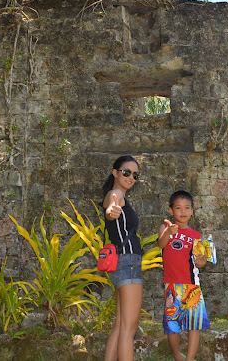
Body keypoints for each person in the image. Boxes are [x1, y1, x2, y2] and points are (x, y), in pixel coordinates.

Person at [158, 190, 210, 361]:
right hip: (172, 285)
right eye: (178, 208)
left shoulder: (197, 236)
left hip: (192, 285)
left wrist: (202, 263)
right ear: (171, 211)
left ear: (192, 211)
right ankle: (176, 355)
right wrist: (169, 232)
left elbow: (198, 262)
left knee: (194, 325)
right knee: (173, 325)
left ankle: (190, 358)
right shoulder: (166, 228)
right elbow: (161, 244)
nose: (183, 211)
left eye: (187, 208)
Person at [102, 155, 143, 361]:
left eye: (135, 174)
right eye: (126, 172)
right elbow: (111, 209)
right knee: (129, 328)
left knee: (120, 325)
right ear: (115, 172)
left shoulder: (117, 194)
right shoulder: (115, 194)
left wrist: (112, 210)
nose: (131, 177)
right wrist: (111, 211)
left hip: (121, 262)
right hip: (128, 262)